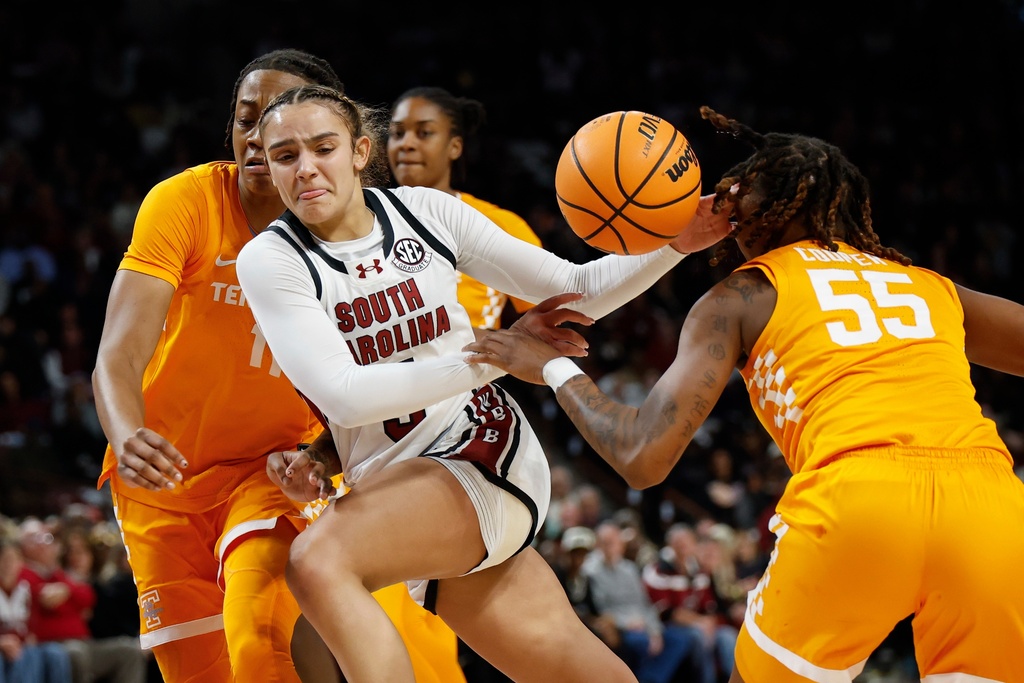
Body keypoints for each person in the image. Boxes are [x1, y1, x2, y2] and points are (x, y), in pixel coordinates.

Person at [465, 105, 1024, 682]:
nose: (724, 199)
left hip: (860, 499)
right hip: (993, 510)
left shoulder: (742, 296)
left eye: (739, 188)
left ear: (775, 207)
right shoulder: (928, 285)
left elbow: (640, 456)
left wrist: (555, 366)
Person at [234, 84, 733, 682]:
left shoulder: (426, 212)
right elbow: (342, 393)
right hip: (396, 485)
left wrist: (674, 244)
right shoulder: (271, 258)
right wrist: (493, 362)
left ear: (361, 150)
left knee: (318, 562)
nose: (307, 168)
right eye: (286, 156)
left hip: (478, 449)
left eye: (324, 147)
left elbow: (575, 288)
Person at [90, 49, 461, 683]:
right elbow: (118, 352)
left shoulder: (360, 236)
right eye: (245, 119)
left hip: (272, 469)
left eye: (282, 123)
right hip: (163, 479)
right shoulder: (185, 201)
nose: (259, 137)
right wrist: (126, 434)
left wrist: (322, 458)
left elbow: (397, 381)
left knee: (260, 645)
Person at [387, 86, 542, 331]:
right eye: (397, 133)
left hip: (472, 366)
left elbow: (550, 317)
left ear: (455, 147)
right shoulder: (362, 220)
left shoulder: (498, 223)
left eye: (424, 133)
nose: (407, 144)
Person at [584, 521, 698, 683]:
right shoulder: (592, 571)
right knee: (641, 643)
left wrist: (654, 631)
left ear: (621, 544)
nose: (610, 546)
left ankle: (648, 679)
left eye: (613, 541)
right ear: (598, 545)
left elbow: (645, 604)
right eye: (605, 542)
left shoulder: (629, 569)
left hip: (643, 624)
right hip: (621, 627)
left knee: (681, 639)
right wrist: (627, 623)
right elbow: (602, 608)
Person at [0, 536, 73, 683]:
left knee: (54, 653)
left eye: (13, 559)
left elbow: (34, 628)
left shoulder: (28, 589)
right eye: (4, 559)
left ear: (21, 563)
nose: (8, 565)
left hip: (25, 646)